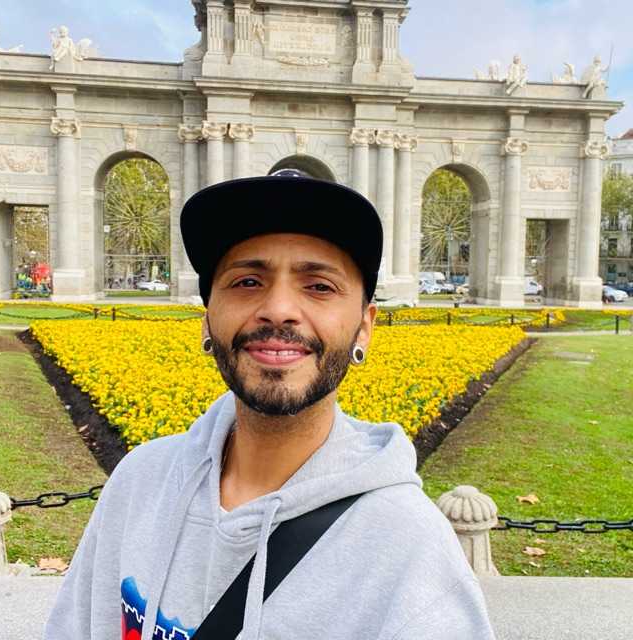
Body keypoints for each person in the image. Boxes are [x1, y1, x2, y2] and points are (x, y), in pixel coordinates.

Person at [44, 170, 496, 639]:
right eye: (247, 281)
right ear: (207, 320)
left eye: (319, 286)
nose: (278, 309)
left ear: (365, 327)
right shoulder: (139, 483)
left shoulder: (411, 551)